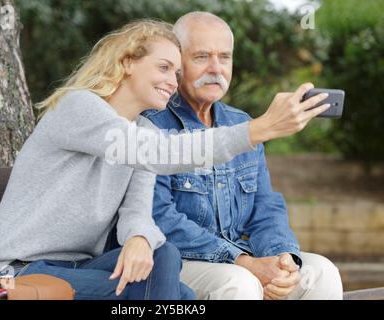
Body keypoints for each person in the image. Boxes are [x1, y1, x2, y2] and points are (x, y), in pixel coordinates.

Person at [0, 17, 329, 300]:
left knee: (166, 258)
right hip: (11, 277)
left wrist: (140, 238)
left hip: (81, 267)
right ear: (128, 61)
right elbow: (157, 154)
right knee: (169, 297)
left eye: (176, 73)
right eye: (163, 68)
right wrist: (258, 129)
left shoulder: (144, 129)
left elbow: (137, 213)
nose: (172, 82)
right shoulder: (79, 108)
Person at [142, 12, 343, 300]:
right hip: (176, 261)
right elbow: (160, 218)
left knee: (321, 272)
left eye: (224, 57)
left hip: (239, 256)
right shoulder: (151, 125)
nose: (216, 68)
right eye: (202, 57)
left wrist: (281, 257)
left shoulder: (241, 122)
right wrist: (244, 262)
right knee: (239, 284)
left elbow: (265, 206)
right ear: (176, 62)